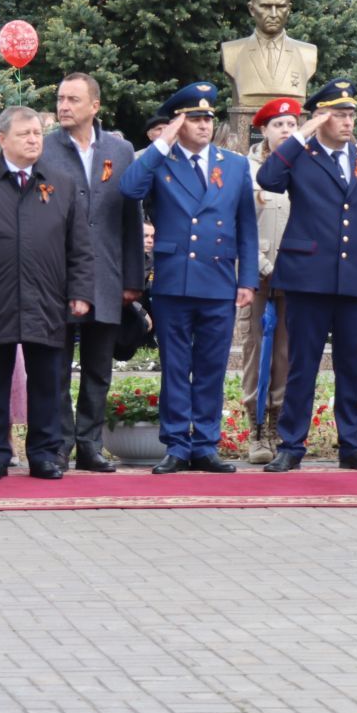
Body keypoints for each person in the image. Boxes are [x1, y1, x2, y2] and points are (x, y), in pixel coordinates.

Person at [255, 79, 357, 473]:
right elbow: (268, 179)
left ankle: (352, 445)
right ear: (320, 118)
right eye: (338, 114)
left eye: (351, 114)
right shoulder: (300, 155)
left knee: (352, 365)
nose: (348, 121)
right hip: (308, 277)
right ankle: (291, 444)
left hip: (356, 277)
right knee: (303, 364)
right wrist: (300, 134)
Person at [0, 105, 93, 480]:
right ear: (4, 139)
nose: (33, 140)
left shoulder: (59, 182)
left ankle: (44, 454)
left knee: (47, 380)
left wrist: (80, 290)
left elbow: (79, 245)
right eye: (25, 134)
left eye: (37, 134)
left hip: (47, 297)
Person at [118, 82, 256, 473]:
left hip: (217, 280)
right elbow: (129, 189)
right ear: (176, 123)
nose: (203, 125)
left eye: (208, 118)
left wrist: (246, 279)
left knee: (212, 366)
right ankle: (177, 443)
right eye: (194, 119)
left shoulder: (233, 165)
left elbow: (246, 224)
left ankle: (206, 443)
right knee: (176, 365)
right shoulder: (160, 161)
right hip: (175, 280)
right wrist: (162, 143)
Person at [47, 72, 145, 471]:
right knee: (54, 368)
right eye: (60, 98)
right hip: (56, 276)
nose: (64, 106)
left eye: (73, 99)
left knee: (98, 368)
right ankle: (58, 444)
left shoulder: (120, 151)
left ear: (94, 106)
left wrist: (133, 279)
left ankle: (89, 444)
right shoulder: (45, 149)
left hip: (106, 275)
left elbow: (131, 218)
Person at [237, 97, 299, 463]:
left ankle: (278, 424)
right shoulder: (243, 168)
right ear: (264, 130)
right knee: (256, 352)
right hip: (257, 275)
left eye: (292, 125)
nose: (286, 131)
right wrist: (260, 265)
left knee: (288, 353)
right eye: (279, 125)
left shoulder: (304, 166)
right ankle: (257, 427)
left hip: (296, 276)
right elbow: (239, 222)